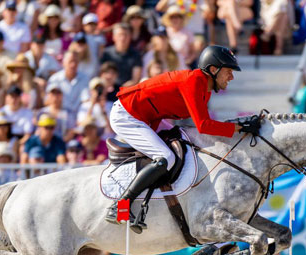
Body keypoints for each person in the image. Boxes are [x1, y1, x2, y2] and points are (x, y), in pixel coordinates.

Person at [104, 45, 247, 232]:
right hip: (128, 114)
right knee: (166, 158)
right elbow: (204, 126)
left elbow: (200, 126)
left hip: (147, 118)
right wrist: (240, 127)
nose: (231, 77)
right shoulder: (195, 81)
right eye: (228, 71)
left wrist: (238, 127)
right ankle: (120, 207)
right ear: (213, 70)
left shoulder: (204, 89)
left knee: (184, 145)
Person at [100, 22, 143, 87]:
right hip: (107, 90)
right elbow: (102, 74)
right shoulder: (106, 53)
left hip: (127, 91)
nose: (122, 38)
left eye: (125, 35)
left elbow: (135, 79)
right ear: (113, 37)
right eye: (120, 35)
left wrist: (121, 90)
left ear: (130, 37)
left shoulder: (136, 55)